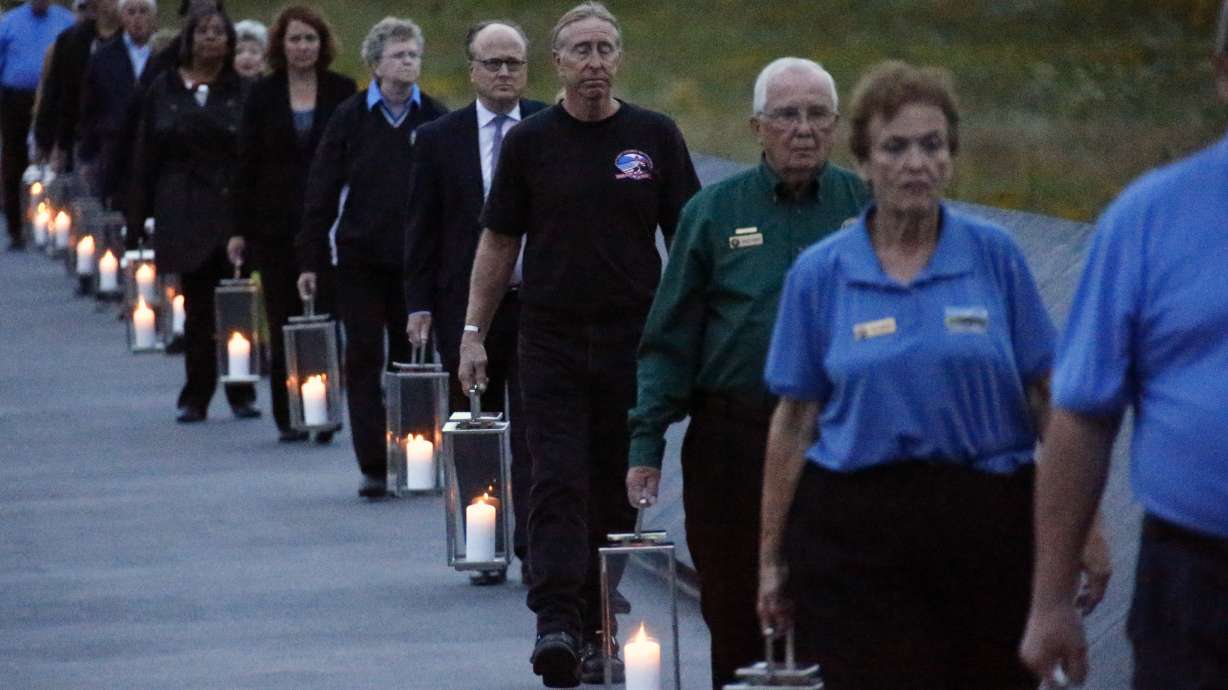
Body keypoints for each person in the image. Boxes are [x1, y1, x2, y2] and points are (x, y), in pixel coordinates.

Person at [756, 61, 1109, 690]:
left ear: (950, 158)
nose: (916, 163)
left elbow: (1049, 397)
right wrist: (770, 561)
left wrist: (1087, 528)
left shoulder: (993, 255)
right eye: (896, 147)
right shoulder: (820, 273)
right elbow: (793, 424)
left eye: (932, 146)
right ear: (863, 162)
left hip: (986, 522)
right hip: (855, 532)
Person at [456, 3, 699, 685]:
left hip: (632, 339)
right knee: (555, 478)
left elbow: (688, 243)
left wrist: (695, 333)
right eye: (580, 50)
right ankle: (555, 621)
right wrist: (474, 331)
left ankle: (601, 622)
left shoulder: (654, 136)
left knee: (617, 490)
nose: (593, 62)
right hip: (551, 336)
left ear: (619, 59)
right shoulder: (530, 142)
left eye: (605, 49)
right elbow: (499, 240)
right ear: (557, 63)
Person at [625, 57, 868, 689]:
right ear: (756, 126)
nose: (803, 128)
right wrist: (646, 442)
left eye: (818, 114)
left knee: (831, 603)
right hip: (733, 440)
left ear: (836, 125)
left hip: (837, 439)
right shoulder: (712, 212)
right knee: (734, 607)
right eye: (787, 115)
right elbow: (669, 337)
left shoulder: (866, 208)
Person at [1020, 5, 1228, 687]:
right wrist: (1052, 600)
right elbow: (1081, 415)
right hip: (1196, 586)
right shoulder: (1150, 219)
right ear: (1223, 75)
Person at [403, 19, 545, 586]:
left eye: (514, 62)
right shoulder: (439, 138)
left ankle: (536, 546)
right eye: (494, 63)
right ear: (472, 71)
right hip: (464, 310)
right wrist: (418, 304)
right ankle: (481, 541)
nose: (505, 72)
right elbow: (423, 227)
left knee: (536, 429)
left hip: (537, 303)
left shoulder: (547, 126)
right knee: (475, 425)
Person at [296, 16, 446, 497]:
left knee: (412, 362)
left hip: (416, 263)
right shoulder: (350, 117)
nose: (409, 62)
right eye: (400, 54)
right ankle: (373, 465)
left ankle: (416, 454)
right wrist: (310, 258)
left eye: (414, 54)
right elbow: (322, 189)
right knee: (363, 358)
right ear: (376, 63)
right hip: (359, 259)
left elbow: (455, 193)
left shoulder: (436, 119)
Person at [128, 6, 258, 423]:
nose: (211, 39)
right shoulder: (164, 88)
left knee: (236, 303)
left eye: (219, 32)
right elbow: (145, 153)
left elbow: (256, 154)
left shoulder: (245, 90)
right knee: (197, 305)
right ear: (188, 39)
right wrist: (139, 214)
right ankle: (196, 393)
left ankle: (241, 390)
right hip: (181, 206)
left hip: (231, 206)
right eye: (202, 31)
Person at [233, 5, 354, 443]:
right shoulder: (262, 95)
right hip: (274, 223)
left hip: (329, 224)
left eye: (310, 39)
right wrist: (238, 229)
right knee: (283, 315)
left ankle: (326, 411)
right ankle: (290, 414)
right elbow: (245, 164)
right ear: (279, 45)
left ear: (322, 45)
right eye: (294, 39)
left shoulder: (342, 91)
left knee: (328, 317)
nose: (302, 47)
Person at [0, 0, 73, 251]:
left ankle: (58, 224)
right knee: (13, 159)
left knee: (55, 157)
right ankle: (16, 227)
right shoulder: (9, 23)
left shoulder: (65, 21)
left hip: (54, 96)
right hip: (16, 98)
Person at [78, 0, 154, 202]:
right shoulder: (104, 56)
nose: (137, 18)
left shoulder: (163, 56)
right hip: (113, 146)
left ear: (153, 17)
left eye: (143, 11)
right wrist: (87, 153)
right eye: (131, 12)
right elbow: (90, 107)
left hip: (153, 146)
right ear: (122, 17)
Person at [34, 0, 119, 175]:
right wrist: (46, 140)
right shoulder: (72, 40)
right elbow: (55, 91)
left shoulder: (132, 41)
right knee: (82, 197)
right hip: (79, 136)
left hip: (121, 137)